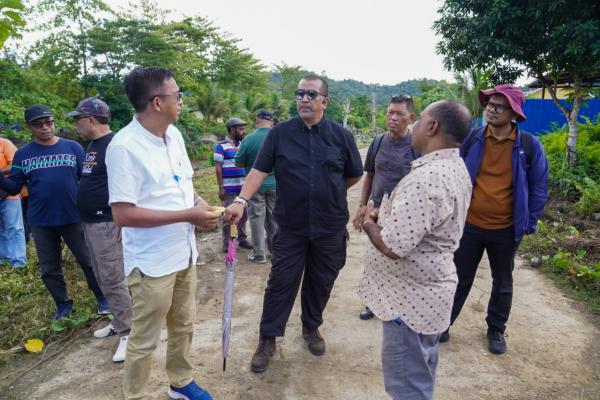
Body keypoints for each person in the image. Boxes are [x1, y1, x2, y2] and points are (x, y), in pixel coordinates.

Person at [225, 75, 363, 373]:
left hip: (329, 227)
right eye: (300, 93)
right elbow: (258, 171)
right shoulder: (280, 134)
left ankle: (311, 328)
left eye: (311, 94)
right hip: (290, 226)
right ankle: (268, 339)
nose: (304, 99)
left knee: (321, 281)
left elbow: (354, 174)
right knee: (280, 282)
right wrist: (241, 201)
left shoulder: (341, 136)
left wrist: (327, 191)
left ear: (325, 101)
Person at [106, 67, 218, 400]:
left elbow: (182, 187)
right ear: (157, 102)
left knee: (183, 325)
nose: (181, 100)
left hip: (183, 253)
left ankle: (180, 382)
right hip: (152, 262)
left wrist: (200, 204)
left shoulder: (175, 136)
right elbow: (122, 214)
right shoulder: (124, 147)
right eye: (177, 94)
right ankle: (136, 395)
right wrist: (189, 214)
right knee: (145, 337)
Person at [359, 100, 473, 400]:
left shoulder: (427, 178)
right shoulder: (452, 166)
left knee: (408, 387)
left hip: (408, 306)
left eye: (420, 119)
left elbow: (394, 247)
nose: (415, 125)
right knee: (420, 374)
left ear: (432, 127)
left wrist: (370, 222)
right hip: (426, 297)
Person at [443, 84, 549, 354]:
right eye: (490, 104)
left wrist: (529, 221)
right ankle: (442, 324)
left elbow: (538, 187)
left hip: (506, 228)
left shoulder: (528, 145)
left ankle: (496, 330)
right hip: (469, 224)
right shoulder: (473, 138)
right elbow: (453, 171)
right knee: (459, 277)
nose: (491, 109)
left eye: (499, 106)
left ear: (514, 113)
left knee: (502, 282)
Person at [0, 105, 106, 320]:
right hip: (41, 220)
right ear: (30, 127)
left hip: (73, 215)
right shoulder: (23, 154)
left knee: (87, 261)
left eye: (49, 122)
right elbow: (13, 188)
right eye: (39, 124)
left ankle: (103, 298)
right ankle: (63, 305)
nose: (46, 127)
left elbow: (86, 180)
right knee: (50, 268)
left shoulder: (73, 148)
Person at [66, 97, 133, 363]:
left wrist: (121, 221)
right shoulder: (93, 146)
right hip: (90, 222)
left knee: (113, 277)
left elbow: (128, 184)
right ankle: (119, 322)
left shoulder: (115, 146)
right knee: (102, 275)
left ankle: (129, 332)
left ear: (91, 119)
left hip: (106, 222)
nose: (76, 124)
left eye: (78, 119)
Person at [352, 94, 418, 320]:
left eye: (399, 113)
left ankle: (399, 305)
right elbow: (369, 174)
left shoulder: (417, 145)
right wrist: (363, 206)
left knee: (401, 259)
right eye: (390, 112)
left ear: (411, 117)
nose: (393, 117)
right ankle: (373, 303)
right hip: (376, 212)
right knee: (374, 259)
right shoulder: (378, 142)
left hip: (403, 215)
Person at [235, 109, 277, 264]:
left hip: (254, 186)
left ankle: (259, 254)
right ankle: (275, 251)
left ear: (257, 120)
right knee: (274, 218)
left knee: (256, 219)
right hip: (276, 185)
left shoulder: (249, 139)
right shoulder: (279, 137)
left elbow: (238, 162)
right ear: (271, 121)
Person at [214, 118, 253, 253]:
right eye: (240, 128)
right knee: (228, 216)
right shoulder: (221, 146)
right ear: (232, 129)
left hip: (243, 187)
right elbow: (218, 168)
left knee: (244, 214)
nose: (243, 131)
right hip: (229, 187)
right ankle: (227, 242)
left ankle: (242, 239)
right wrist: (221, 187)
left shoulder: (244, 144)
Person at [0, 135, 27, 267]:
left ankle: (18, 263)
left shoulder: (5, 143)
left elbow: (15, 165)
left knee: (14, 228)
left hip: (9, 194)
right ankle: (3, 262)